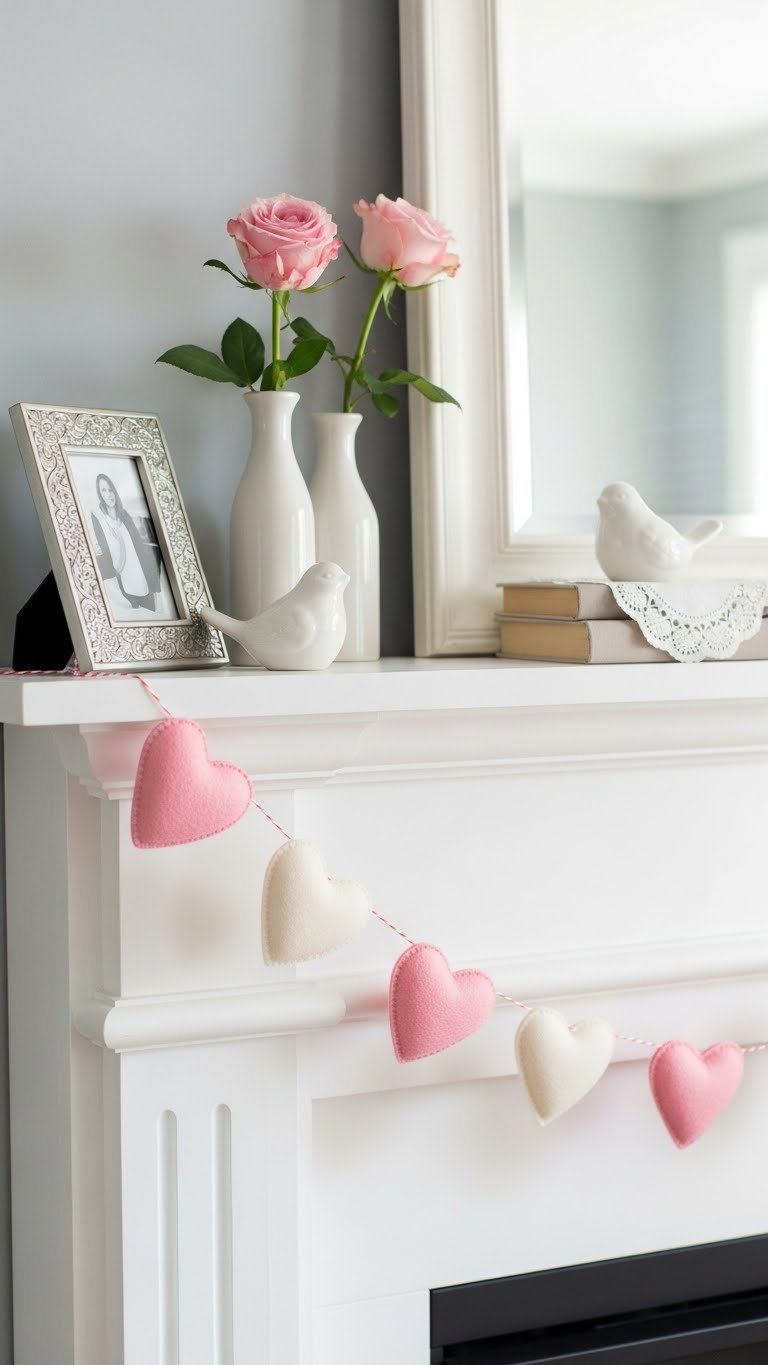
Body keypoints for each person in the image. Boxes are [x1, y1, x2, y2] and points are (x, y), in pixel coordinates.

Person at [90, 472, 162, 611]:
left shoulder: (125, 515)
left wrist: (154, 584)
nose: (108, 494)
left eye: (110, 489)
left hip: (142, 579)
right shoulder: (98, 518)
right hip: (123, 582)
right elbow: (103, 550)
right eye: (103, 490)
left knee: (149, 613)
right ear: (100, 494)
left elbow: (140, 548)